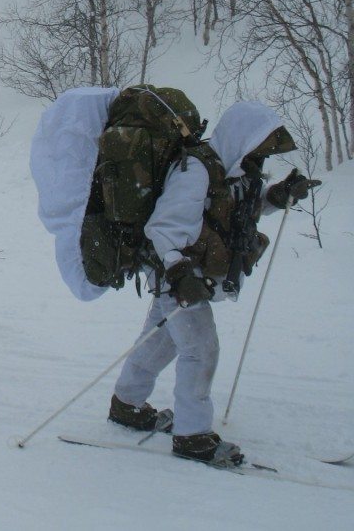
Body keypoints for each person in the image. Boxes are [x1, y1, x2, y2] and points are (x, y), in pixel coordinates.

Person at [108, 101, 320, 465]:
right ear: (243, 139)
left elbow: (235, 214)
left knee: (162, 339)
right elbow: (163, 227)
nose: (261, 156)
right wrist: (177, 272)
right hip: (177, 275)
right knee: (201, 349)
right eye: (260, 147)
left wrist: (278, 195)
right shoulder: (195, 171)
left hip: (189, 276)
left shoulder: (235, 172)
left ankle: (127, 404)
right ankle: (192, 436)